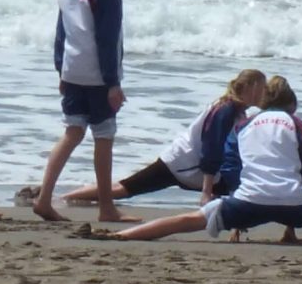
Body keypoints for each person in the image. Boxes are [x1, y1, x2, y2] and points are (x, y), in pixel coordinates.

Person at [107, 77, 302, 245]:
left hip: (248, 201)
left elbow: (231, 166)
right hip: (294, 203)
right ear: (292, 104)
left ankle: (122, 236)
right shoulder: (298, 125)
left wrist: (234, 196)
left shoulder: (243, 125)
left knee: (187, 221)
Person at [31, 0, 132, 223]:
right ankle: (106, 208)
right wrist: (113, 83)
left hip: (73, 72)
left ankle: (44, 198)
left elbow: (61, 34)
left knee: (72, 133)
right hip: (98, 77)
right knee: (104, 137)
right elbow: (106, 39)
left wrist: (60, 70)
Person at [61, 68, 268, 208]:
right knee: (124, 189)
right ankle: (65, 198)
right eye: (260, 89)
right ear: (247, 88)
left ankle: (66, 197)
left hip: (181, 160)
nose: (263, 94)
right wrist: (206, 191)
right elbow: (211, 147)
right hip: (186, 165)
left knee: (125, 188)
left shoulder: (235, 109)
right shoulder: (226, 110)